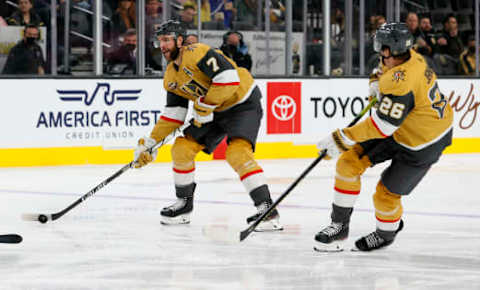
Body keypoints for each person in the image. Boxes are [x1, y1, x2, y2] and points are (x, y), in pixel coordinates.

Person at [314, 23, 453, 252]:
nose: (379, 50)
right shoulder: (405, 58)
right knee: (348, 163)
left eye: (382, 46)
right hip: (402, 128)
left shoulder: (405, 80)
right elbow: (381, 72)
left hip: (424, 142)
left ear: (394, 48)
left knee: (385, 196)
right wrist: (375, 84)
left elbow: (383, 126)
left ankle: (386, 234)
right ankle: (339, 225)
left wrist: (343, 137)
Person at [133, 20, 282, 230]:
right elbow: (174, 114)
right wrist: (151, 143)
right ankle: (184, 205)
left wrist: (204, 106)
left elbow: (228, 78)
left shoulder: (198, 52)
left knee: (237, 153)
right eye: (160, 41)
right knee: (182, 149)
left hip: (242, 102)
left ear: (180, 40)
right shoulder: (171, 76)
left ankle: (267, 211)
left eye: (167, 40)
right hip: (213, 111)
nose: (163, 46)